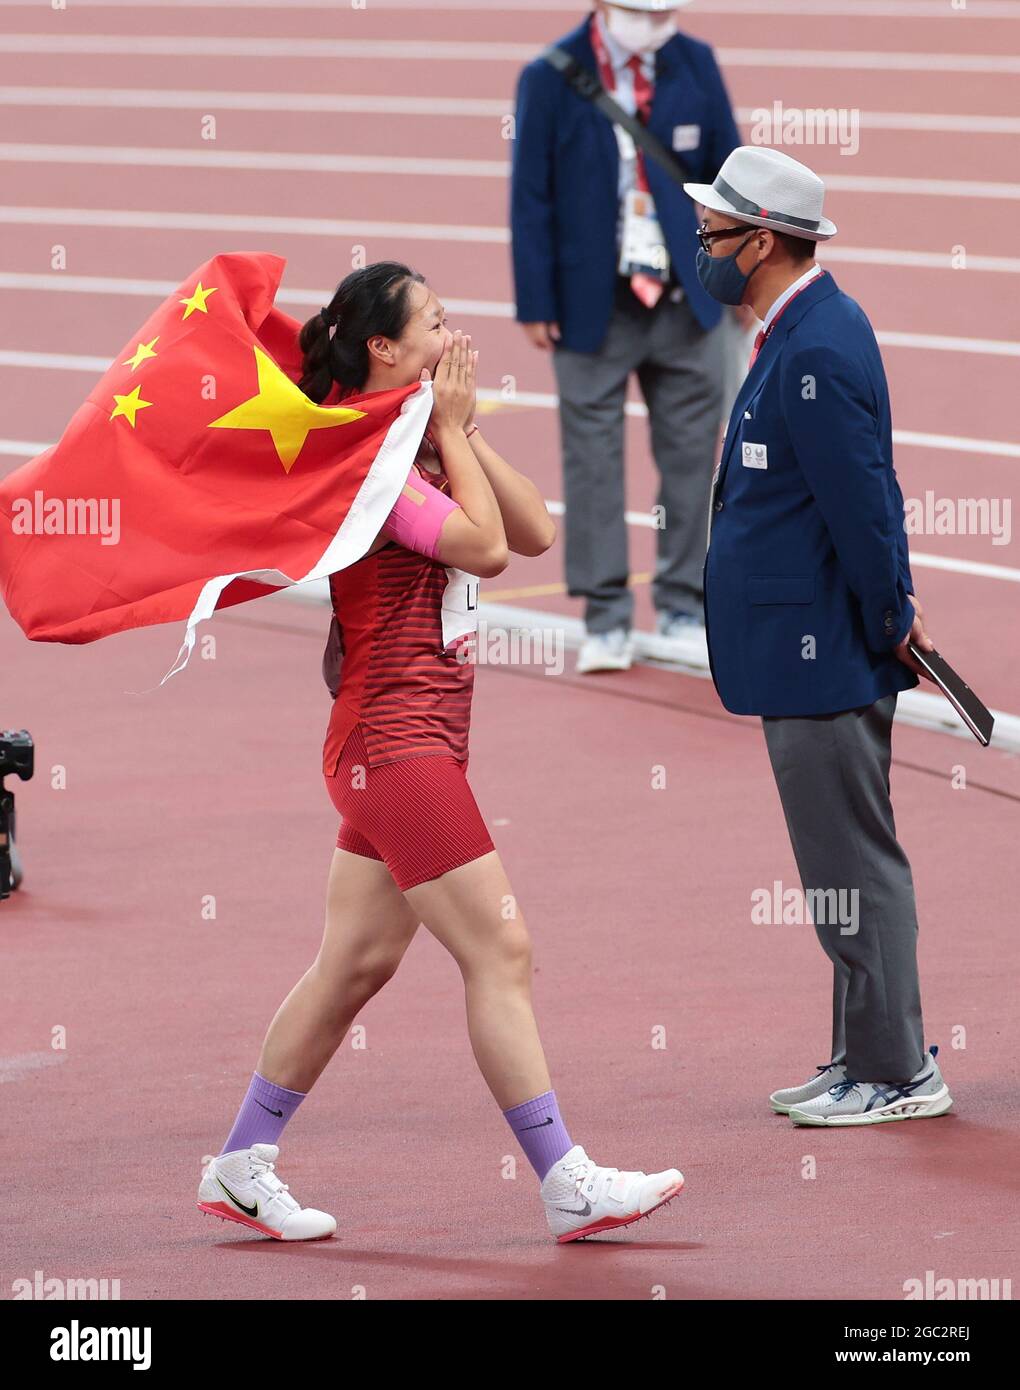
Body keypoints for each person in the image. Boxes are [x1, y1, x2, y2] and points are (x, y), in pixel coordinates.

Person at [197, 263, 684, 1240]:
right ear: (384, 347)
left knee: (355, 961)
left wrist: (452, 430)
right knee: (501, 947)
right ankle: (565, 1179)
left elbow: (537, 528)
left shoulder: (415, 434)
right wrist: (452, 433)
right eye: (433, 321)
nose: (453, 332)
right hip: (393, 739)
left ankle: (241, 1162)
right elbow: (481, 548)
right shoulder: (363, 467)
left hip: (408, 739)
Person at [684, 147, 953, 1126]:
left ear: (761, 241)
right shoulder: (801, 331)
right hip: (806, 649)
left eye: (715, 235)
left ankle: (898, 1072)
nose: (701, 250)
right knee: (836, 869)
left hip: (826, 654)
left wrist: (889, 619)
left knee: (854, 867)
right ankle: (861, 1053)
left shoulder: (818, 349)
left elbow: (864, 507)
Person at [511, 0, 741, 673]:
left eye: (668, 10)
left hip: (686, 297)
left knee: (694, 456)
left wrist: (736, 278)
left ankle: (683, 602)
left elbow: (732, 174)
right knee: (592, 460)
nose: (659, 21)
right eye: (646, 10)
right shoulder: (550, 75)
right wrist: (535, 299)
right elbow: (530, 194)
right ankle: (605, 614)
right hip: (592, 302)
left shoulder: (694, 62)